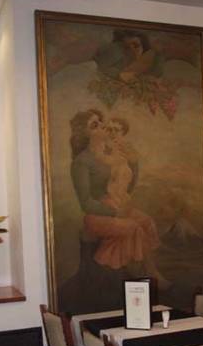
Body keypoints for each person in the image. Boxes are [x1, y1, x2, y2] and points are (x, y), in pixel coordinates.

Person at [70, 109, 170, 287]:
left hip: (117, 204)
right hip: (97, 215)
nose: (103, 126)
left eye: (100, 121)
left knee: (147, 222)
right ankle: (148, 276)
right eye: (95, 125)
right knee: (133, 227)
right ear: (85, 133)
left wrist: (133, 164)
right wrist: (114, 212)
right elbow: (86, 203)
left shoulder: (111, 152)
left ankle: (144, 274)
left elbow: (127, 186)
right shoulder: (81, 162)